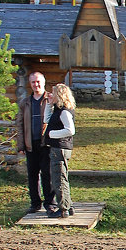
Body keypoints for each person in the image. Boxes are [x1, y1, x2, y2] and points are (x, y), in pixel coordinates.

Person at [16, 71, 57, 214]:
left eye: (38, 81)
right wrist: (21, 145)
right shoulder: (25, 102)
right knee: (33, 175)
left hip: (46, 144)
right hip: (30, 143)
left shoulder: (50, 99)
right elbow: (20, 124)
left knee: (48, 174)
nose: (36, 84)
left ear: (44, 82)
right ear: (30, 84)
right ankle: (35, 203)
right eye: (33, 82)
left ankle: (50, 203)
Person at [45, 83, 76, 219]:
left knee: (59, 179)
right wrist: (48, 104)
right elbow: (46, 120)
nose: (51, 95)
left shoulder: (64, 112)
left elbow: (70, 130)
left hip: (60, 148)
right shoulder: (58, 110)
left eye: (53, 93)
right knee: (62, 178)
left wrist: (52, 134)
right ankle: (68, 207)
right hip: (59, 148)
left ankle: (63, 209)